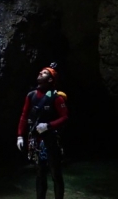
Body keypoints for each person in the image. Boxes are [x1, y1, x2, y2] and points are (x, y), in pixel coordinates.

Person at [17, 63, 69, 199]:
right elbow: (24, 115)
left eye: (44, 73)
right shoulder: (31, 95)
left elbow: (65, 117)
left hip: (51, 139)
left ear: (51, 79)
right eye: (40, 72)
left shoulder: (55, 97)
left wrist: (48, 125)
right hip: (36, 140)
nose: (40, 73)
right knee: (40, 174)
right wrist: (20, 136)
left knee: (55, 174)